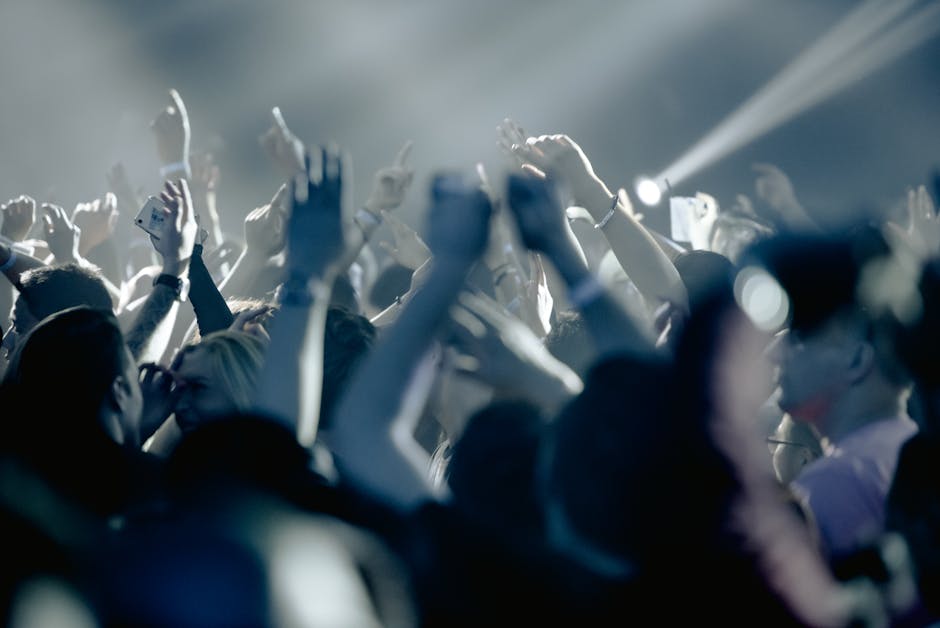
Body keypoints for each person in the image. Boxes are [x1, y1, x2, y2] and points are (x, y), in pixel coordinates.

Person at [757, 230, 918, 559]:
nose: (776, 352)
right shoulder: (909, 450)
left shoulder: (836, 484)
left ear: (858, 358)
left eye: (800, 335)